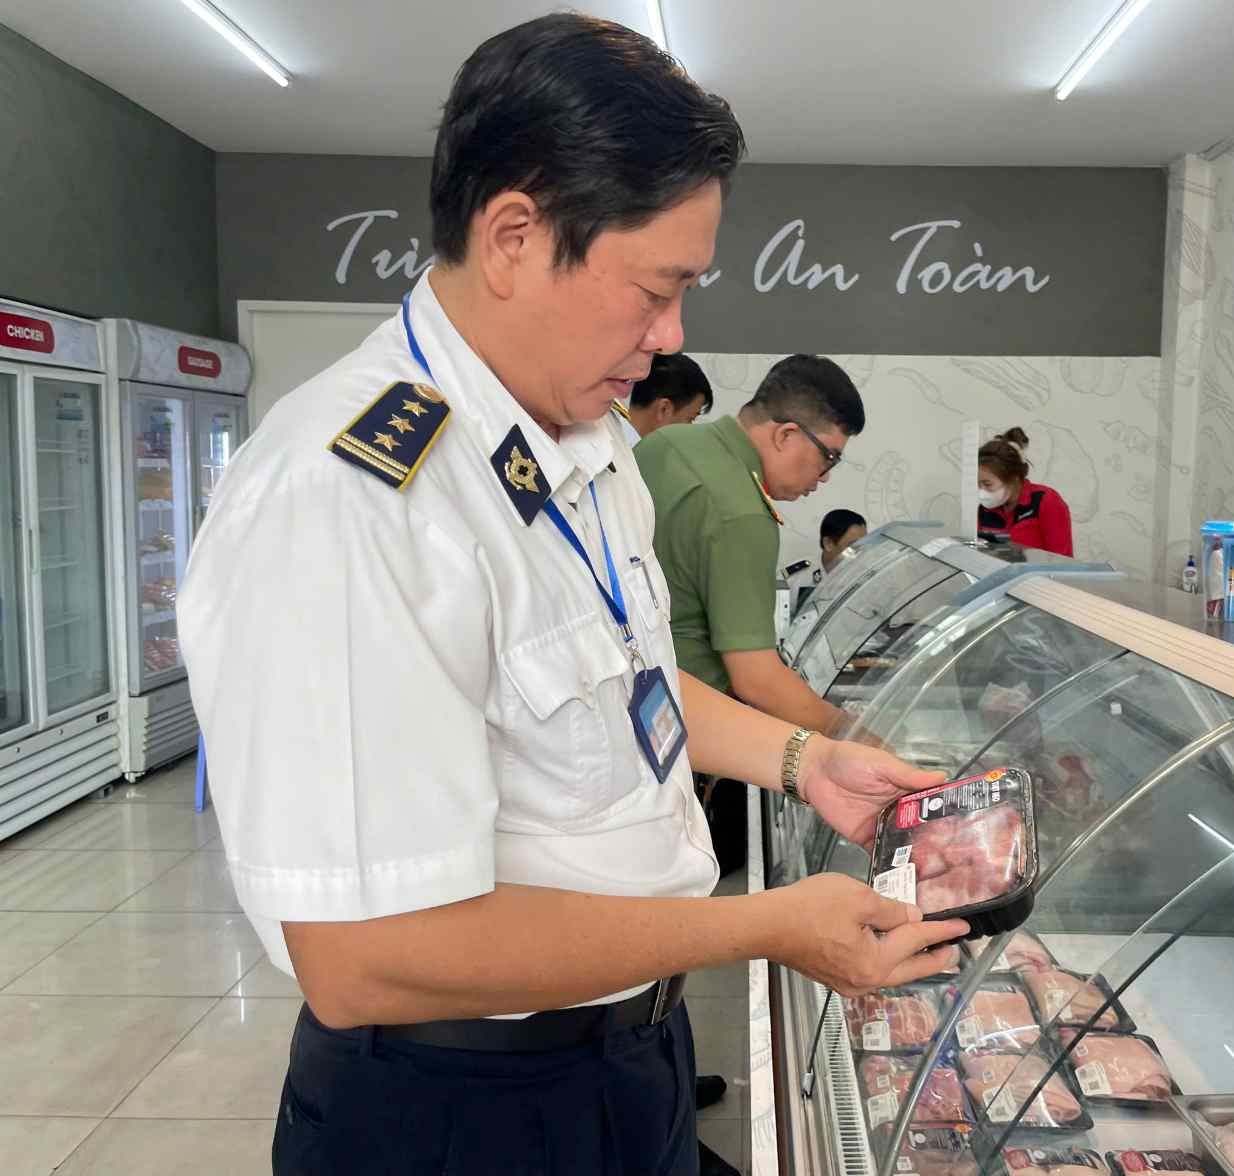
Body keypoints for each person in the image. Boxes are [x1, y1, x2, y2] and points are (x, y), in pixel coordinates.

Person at [175, 17, 964, 1176]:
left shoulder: (581, 443)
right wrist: (765, 929)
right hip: (463, 1108)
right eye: (654, 290)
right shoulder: (351, 498)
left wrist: (803, 764)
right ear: (511, 237)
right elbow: (361, 956)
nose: (672, 337)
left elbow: (626, 680)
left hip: (619, 1056)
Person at [636, 354, 862, 738]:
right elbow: (756, 678)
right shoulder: (745, 512)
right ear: (785, 435)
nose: (823, 478)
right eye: (829, 458)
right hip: (680, 722)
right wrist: (852, 732)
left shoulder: (669, 441)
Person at [977, 426, 1073, 556]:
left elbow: (1062, 562)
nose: (981, 492)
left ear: (1013, 479)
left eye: (988, 484)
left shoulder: (1046, 501)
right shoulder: (984, 509)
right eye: (978, 484)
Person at [612, 351, 713, 448]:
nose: (690, 430)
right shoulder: (614, 456)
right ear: (664, 409)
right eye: (690, 419)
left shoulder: (611, 439)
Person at [818, 507, 868, 580]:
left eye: (862, 544)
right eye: (853, 546)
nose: (861, 552)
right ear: (828, 543)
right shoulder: (799, 576)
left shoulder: (867, 574)